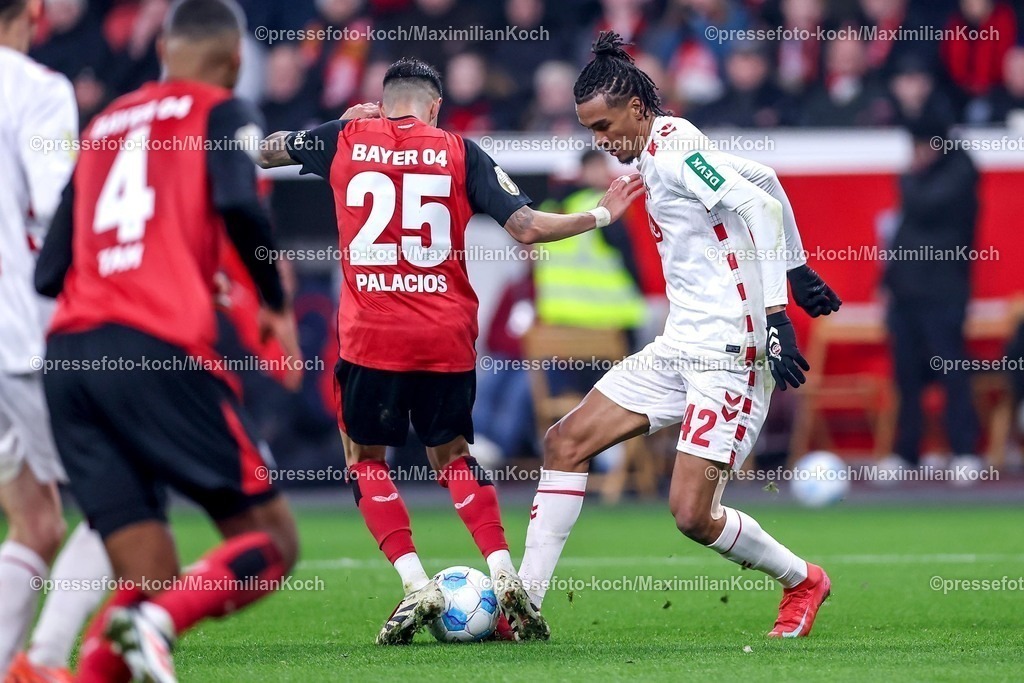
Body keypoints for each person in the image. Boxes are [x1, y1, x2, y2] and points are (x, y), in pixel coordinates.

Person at [257, 56, 643, 643]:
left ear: (383, 101)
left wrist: (331, 124)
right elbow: (527, 227)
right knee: (454, 457)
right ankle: (504, 571)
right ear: (435, 107)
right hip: (446, 336)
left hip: (372, 336)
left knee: (364, 460)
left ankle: (416, 585)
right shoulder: (459, 151)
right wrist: (599, 212)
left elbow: (266, 151)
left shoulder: (346, 137)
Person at [516, 32, 841, 641]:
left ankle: (802, 580)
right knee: (565, 441)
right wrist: (794, 266)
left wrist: (778, 313)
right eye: (591, 131)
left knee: (692, 516)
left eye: (605, 126)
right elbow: (766, 179)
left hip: (729, 353)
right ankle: (524, 609)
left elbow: (760, 206)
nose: (600, 142)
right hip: (678, 346)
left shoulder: (669, 153)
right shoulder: (667, 142)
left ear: (638, 109)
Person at [34, 1, 303, 680]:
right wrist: (273, 301)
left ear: (163, 49)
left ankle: (86, 661)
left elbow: (48, 270)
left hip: (69, 361)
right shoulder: (222, 113)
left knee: (149, 568)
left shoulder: (103, 126)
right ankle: (158, 624)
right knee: (271, 541)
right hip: (156, 349)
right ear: (236, 61)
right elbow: (242, 204)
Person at [0, 1, 112, 679]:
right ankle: (42, 660)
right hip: (24, 337)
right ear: (35, 10)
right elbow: (58, 208)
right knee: (123, 499)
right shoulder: (38, 89)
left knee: (36, 521)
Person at [881, 116, 982, 481]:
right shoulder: (920, 178)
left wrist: (909, 178)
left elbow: (923, 204)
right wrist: (887, 281)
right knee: (905, 374)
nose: (916, 155)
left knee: (952, 372)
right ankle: (906, 453)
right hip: (906, 293)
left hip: (943, 293)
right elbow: (903, 233)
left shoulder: (960, 174)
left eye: (923, 146)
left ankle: (966, 451)